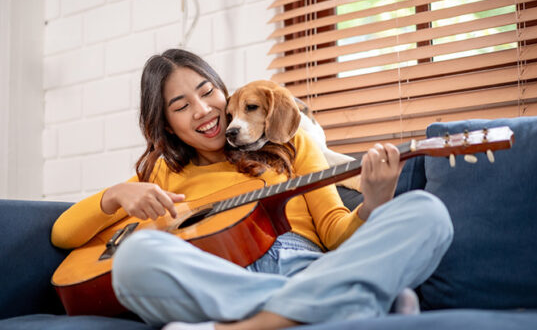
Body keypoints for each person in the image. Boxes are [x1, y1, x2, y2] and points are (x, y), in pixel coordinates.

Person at [51, 49, 453, 330]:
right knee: (135, 259)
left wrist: (374, 203)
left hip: (306, 265)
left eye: (207, 92)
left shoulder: (291, 143)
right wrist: (117, 194)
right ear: (168, 124)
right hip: (220, 277)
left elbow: (334, 232)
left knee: (427, 213)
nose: (203, 110)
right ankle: (348, 301)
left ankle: (255, 323)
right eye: (181, 105)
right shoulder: (163, 172)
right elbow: (62, 233)